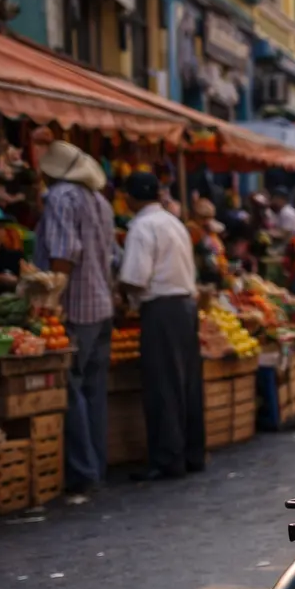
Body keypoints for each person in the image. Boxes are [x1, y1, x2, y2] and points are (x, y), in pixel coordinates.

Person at [33, 139, 116, 501]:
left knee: (72, 388)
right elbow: (111, 255)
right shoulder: (100, 200)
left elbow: (64, 253)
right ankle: (96, 465)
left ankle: (82, 472)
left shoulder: (61, 197)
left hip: (75, 307)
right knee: (94, 391)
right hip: (102, 306)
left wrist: (51, 299)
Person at [116, 172, 205, 481]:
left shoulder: (142, 227)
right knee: (187, 383)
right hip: (185, 306)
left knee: (163, 384)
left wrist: (120, 290)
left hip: (161, 309)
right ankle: (192, 453)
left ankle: (168, 459)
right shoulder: (174, 222)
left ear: (131, 196)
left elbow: (135, 277)